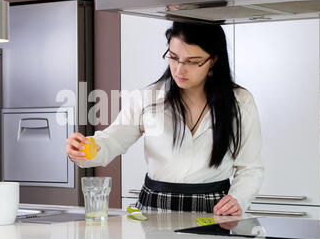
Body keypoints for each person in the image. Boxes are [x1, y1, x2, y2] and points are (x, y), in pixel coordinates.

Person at [66, 22, 264, 216]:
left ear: (213, 60)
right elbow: (113, 139)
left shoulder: (240, 102)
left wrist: (237, 199)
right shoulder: (148, 98)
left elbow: (251, 168)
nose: (179, 70)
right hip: (154, 209)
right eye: (174, 57)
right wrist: (86, 147)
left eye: (193, 61)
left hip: (212, 210)